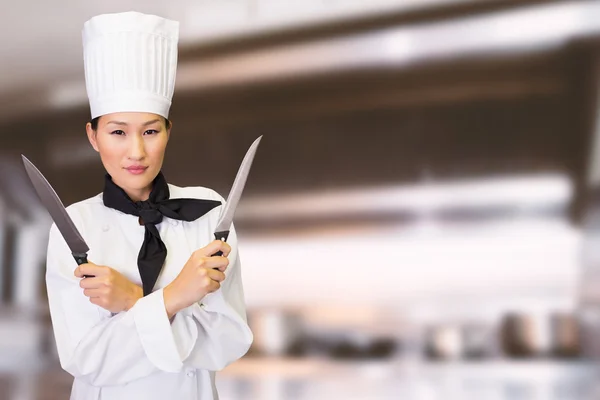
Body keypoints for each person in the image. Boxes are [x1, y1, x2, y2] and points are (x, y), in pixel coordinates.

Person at [45, 11, 253, 400]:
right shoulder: (74, 224)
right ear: (93, 136)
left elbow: (228, 343)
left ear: (168, 132)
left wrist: (131, 302)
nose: (136, 152)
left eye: (151, 131)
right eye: (118, 132)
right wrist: (175, 298)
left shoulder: (210, 212)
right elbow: (88, 360)